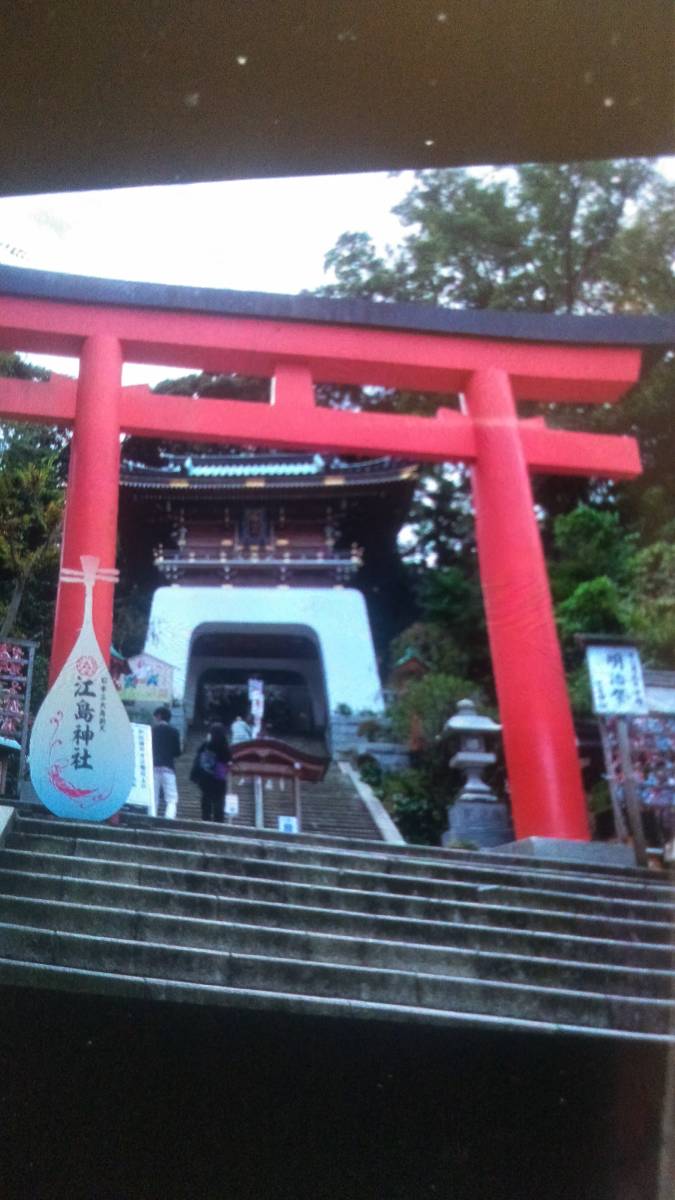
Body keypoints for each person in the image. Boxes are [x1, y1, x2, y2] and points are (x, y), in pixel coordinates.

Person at [190, 722, 232, 823]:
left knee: (206, 797)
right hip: (219, 777)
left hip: (206, 776)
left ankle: (206, 818)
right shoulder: (225, 746)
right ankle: (218, 820)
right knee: (219, 799)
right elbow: (229, 759)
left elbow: (198, 755)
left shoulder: (206, 745)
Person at [151, 705, 182, 819]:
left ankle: (152, 816)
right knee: (171, 798)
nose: (154, 719)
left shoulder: (152, 730)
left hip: (153, 767)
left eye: (155, 716)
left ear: (159, 716)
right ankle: (169, 818)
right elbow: (177, 752)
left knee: (153, 796)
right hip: (168, 768)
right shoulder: (174, 731)